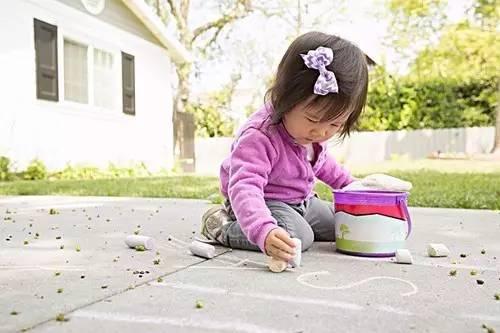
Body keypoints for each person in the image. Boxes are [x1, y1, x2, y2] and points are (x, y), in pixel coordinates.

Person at [200, 31, 369, 263]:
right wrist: (264, 230)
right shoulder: (260, 136)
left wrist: (353, 188)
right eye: (312, 120)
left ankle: (294, 220)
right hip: (263, 201)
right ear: (284, 99)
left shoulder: (313, 134)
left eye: (335, 124)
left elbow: (324, 165)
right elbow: (244, 186)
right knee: (297, 237)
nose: (321, 133)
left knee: (343, 224)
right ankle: (222, 227)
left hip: (301, 201)